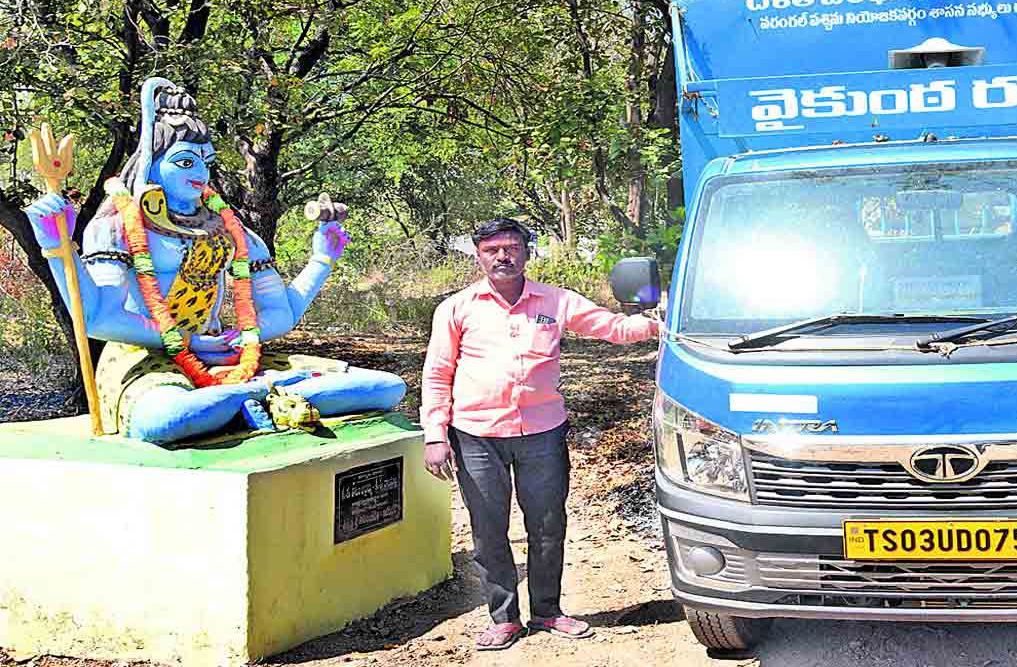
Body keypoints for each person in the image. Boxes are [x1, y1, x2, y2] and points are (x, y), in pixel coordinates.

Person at [22, 77, 405, 442]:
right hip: (146, 357)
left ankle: (248, 395)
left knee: (386, 387)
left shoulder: (231, 230)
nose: (201, 173)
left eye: (205, 161)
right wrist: (59, 250)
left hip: (228, 356)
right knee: (169, 418)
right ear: (152, 165)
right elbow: (98, 318)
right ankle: (263, 397)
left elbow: (281, 312)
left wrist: (320, 260)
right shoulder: (116, 228)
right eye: (186, 162)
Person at [420, 218, 659, 651]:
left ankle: (547, 612)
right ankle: (504, 618)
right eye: (492, 249)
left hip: (542, 434)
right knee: (489, 530)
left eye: (511, 247)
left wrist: (660, 318)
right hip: (476, 436)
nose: (503, 256)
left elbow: (614, 328)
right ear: (478, 256)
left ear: (527, 252)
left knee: (548, 525)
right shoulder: (457, 308)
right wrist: (435, 433)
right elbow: (437, 374)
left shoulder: (556, 300)